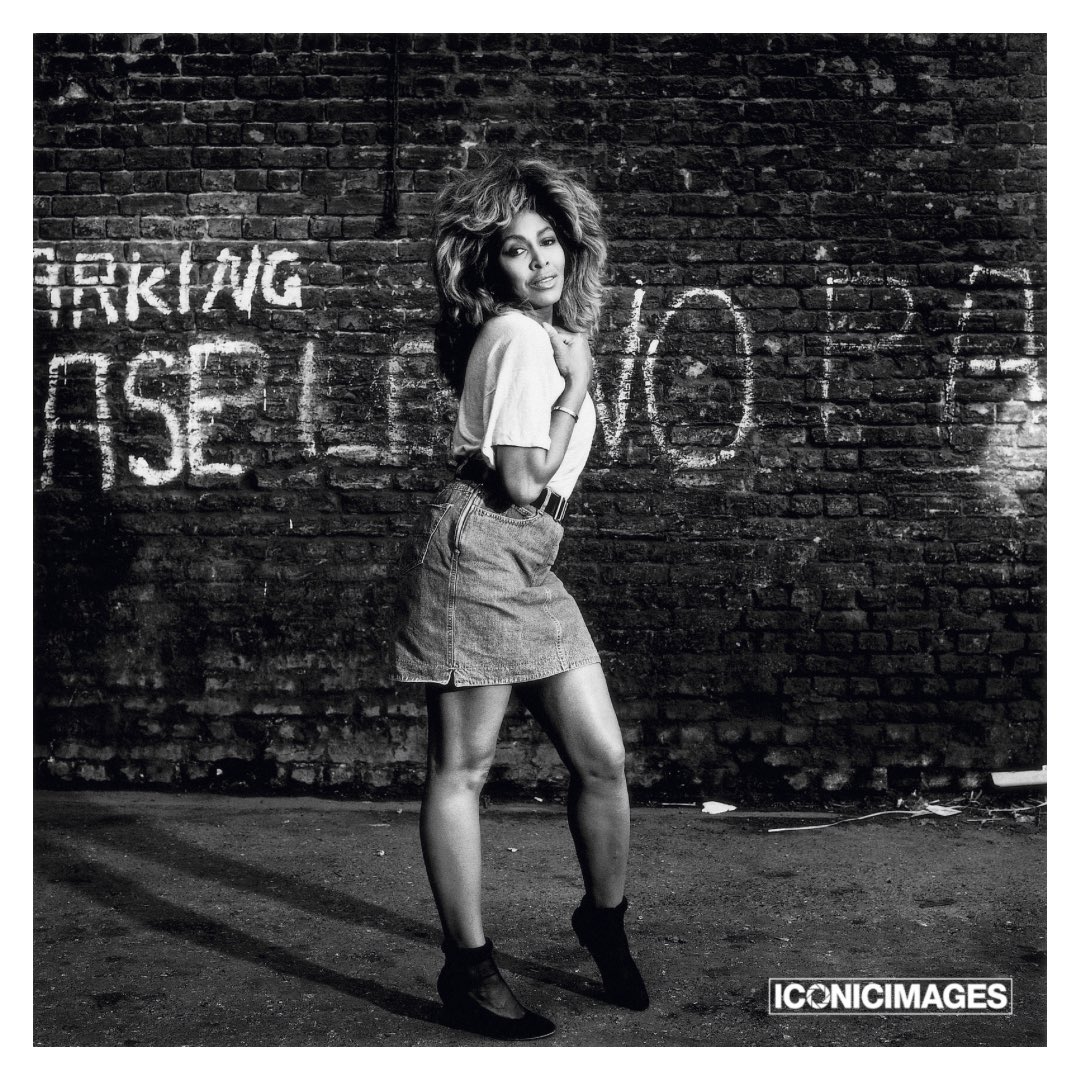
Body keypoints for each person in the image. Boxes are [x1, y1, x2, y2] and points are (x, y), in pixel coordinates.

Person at [392, 156, 648, 1040]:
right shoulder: (515, 339)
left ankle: (602, 919)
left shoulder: (543, 333)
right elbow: (524, 478)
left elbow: (540, 499)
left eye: (549, 242)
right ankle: (468, 968)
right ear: (486, 264)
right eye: (514, 248)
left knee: (601, 758)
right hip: (484, 544)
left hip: (530, 556)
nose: (538, 260)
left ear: (572, 250)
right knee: (461, 768)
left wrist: (572, 374)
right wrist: (579, 389)